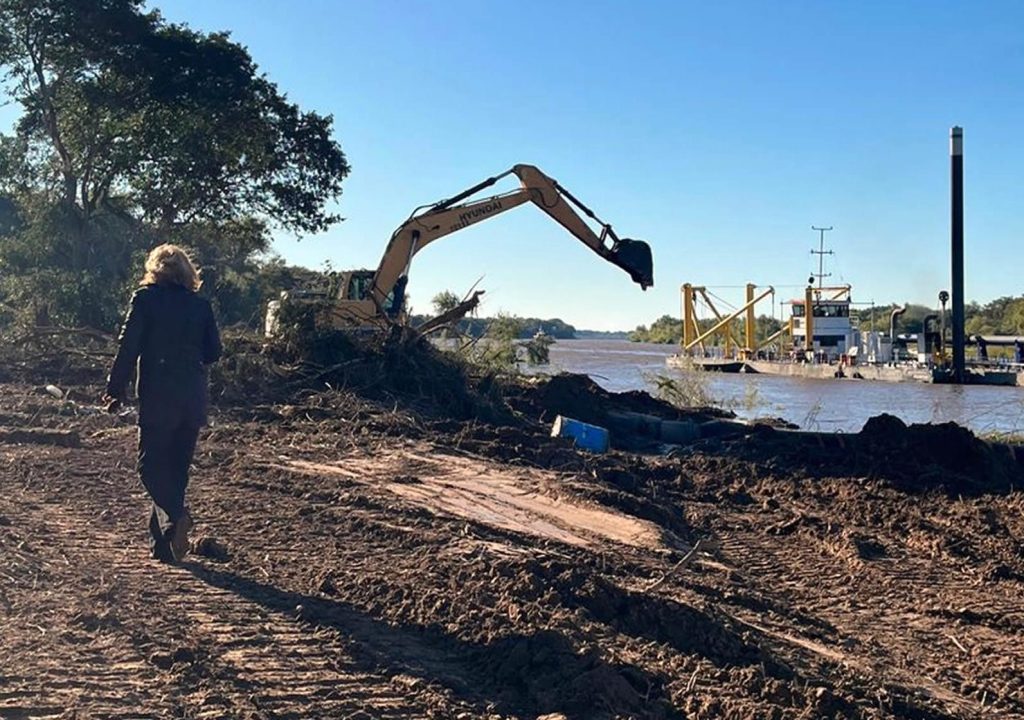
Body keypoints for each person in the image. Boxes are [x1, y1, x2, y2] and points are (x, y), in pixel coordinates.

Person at [105, 244, 222, 563]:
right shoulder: (201, 305)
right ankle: (164, 547)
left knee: (150, 468)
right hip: (193, 397)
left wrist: (115, 389)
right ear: (188, 273)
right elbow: (214, 353)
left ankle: (175, 518)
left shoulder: (145, 299)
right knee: (176, 471)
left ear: (155, 270)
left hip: (159, 396)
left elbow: (128, 346)